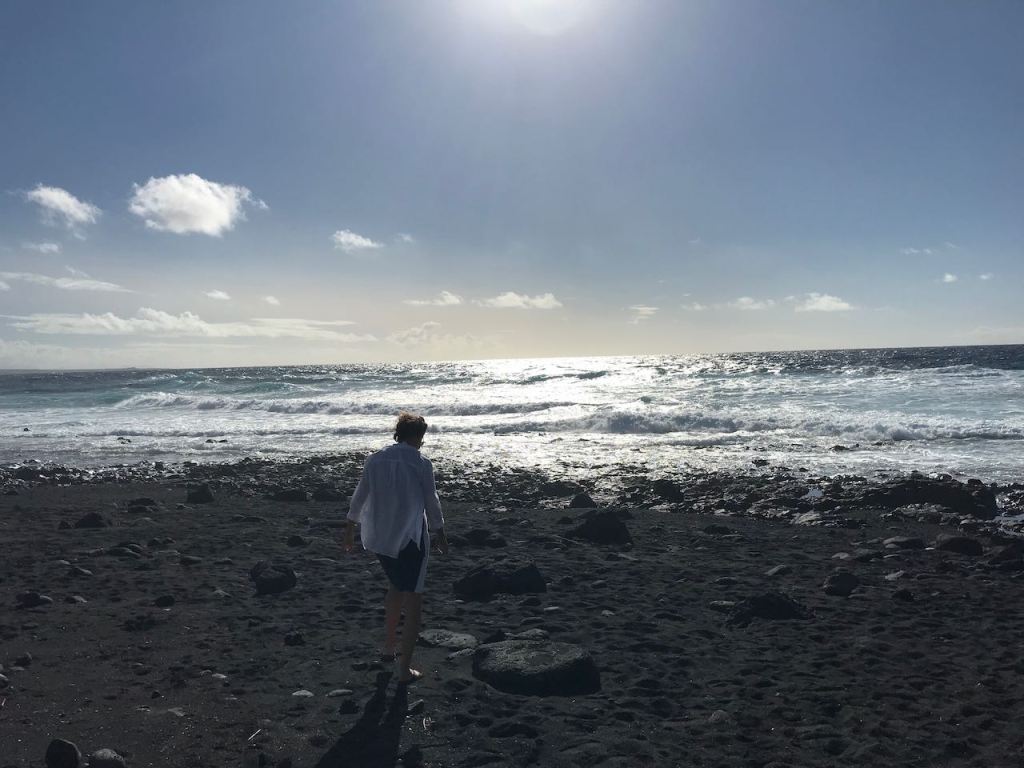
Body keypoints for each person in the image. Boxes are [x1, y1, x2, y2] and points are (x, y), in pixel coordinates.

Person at [344, 412, 448, 684]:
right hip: (411, 538)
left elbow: (360, 494)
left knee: (395, 586)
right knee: (414, 598)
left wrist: (349, 527)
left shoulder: (375, 459)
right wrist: (440, 530)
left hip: (381, 538)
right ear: (418, 436)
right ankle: (404, 670)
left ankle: (389, 646)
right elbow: (431, 500)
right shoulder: (420, 463)